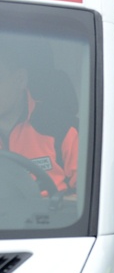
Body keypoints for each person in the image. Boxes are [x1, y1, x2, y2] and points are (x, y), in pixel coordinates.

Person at [0, 42, 78, 194]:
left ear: (20, 79)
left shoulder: (62, 129)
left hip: (52, 217)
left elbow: (89, 198)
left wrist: (50, 207)